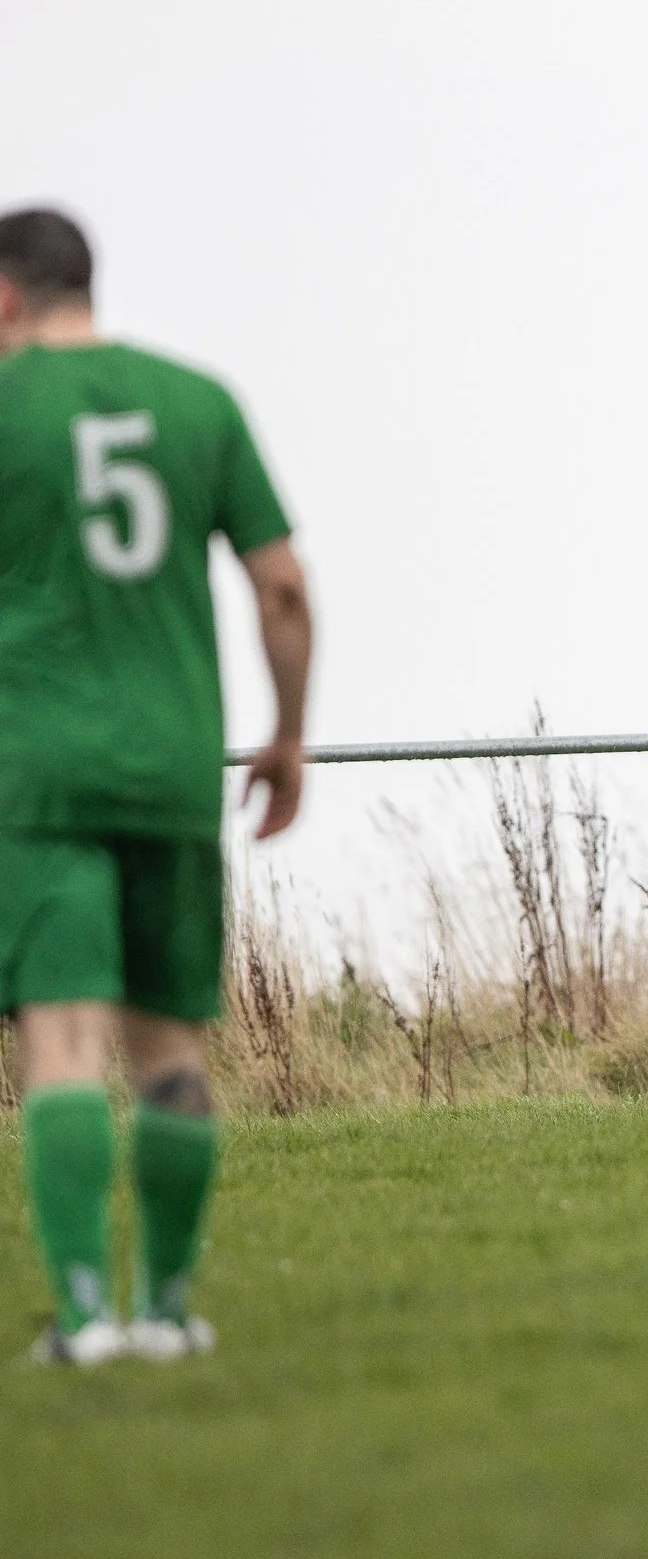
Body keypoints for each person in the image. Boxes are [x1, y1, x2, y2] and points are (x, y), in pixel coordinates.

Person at [0, 205, 314, 1365]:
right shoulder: (198, 401)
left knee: (65, 1043)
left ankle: (85, 1318)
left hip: (34, 775)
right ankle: (171, 1312)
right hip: (174, 766)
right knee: (173, 1050)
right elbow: (281, 587)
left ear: (5, 300)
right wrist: (287, 738)